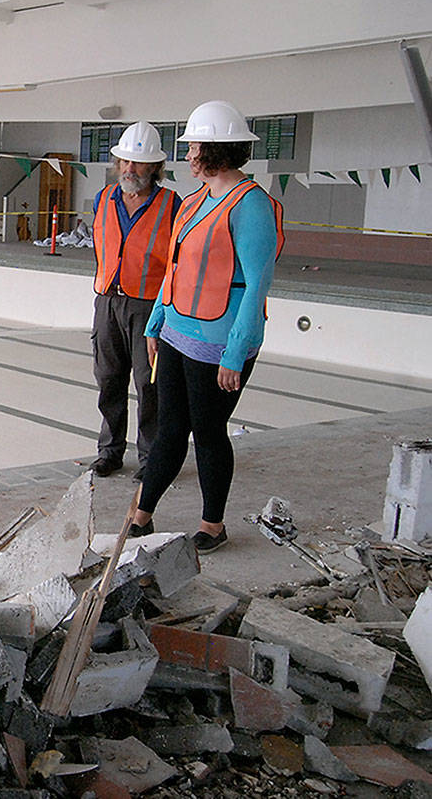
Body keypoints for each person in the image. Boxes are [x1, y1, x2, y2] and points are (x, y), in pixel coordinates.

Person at [131, 101, 284, 553]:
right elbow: (175, 269)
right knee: (170, 428)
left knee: (209, 432)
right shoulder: (195, 201)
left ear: (216, 149)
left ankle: (212, 525)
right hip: (176, 334)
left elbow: (257, 284)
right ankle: (141, 515)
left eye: (194, 145)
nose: (188, 153)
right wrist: (156, 323)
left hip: (218, 343)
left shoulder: (252, 206)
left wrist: (236, 352)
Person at [89, 122, 180, 482]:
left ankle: (151, 459)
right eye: (125, 161)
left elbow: (178, 263)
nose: (130, 169)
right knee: (108, 380)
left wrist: (165, 311)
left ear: (155, 167)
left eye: (138, 163)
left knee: (149, 384)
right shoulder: (104, 198)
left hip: (149, 307)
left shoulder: (172, 205)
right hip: (108, 302)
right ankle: (109, 452)